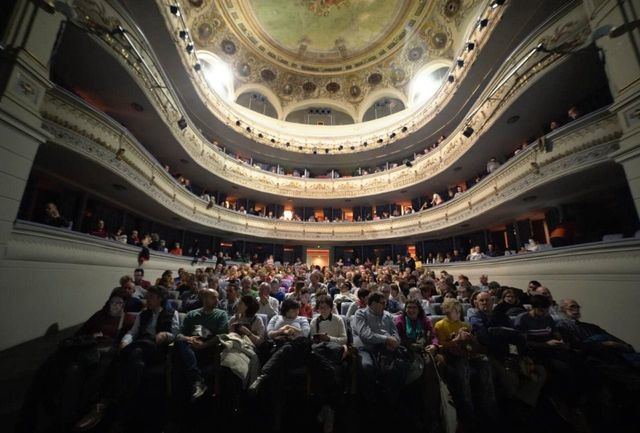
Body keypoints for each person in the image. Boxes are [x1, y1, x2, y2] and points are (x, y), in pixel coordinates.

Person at [19, 295, 134, 433]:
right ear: (108, 302)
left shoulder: (126, 319)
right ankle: (65, 413)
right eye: (114, 302)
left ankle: (82, 410)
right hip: (90, 350)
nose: (116, 305)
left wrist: (114, 342)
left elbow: (126, 338)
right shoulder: (99, 315)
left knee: (96, 376)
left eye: (120, 303)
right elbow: (80, 333)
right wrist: (92, 336)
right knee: (73, 371)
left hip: (107, 353)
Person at [75, 286, 179, 431]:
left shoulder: (172, 313)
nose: (147, 299)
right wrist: (125, 341)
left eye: (150, 297)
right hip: (139, 349)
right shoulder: (144, 314)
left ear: (159, 299)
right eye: (147, 296)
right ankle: (122, 409)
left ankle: (103, 403)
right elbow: (132, 332)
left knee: (123, 354)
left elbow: (175, 334)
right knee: (137, 364)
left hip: (156, 349)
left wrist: (165, 335)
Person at [434, 298, 496, 428]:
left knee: (485, 363)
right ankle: (468, 414)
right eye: (454, 311)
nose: (457, 313)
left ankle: (488, 407)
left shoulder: (465, 324)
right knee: (463, 370)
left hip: (467, 354)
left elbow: (474, 346)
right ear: (446, 311)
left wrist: (471, 338)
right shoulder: (440, 325)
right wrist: (457, 339)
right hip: (451, 357)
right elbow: (441, 346)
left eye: (458, 311)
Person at [352, 292, 409, 402]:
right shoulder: (360, 314)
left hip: (386, 348)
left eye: (385, 303)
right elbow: (365, 335)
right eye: (382, 303)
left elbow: (395, 334)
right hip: (366, 348)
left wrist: (395, 342)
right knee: (367, 366)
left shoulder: (387, 315)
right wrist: (386, 339)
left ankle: (392, 397)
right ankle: (370, 399)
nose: (385, 305)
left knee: (401, 364)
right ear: (373, 303)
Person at [174, 288, 229, 400]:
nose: (217, 300)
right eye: (213, 297)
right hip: (191, 347)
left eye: (217, 297)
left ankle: (197, 381)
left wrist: (204, 345)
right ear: (204, 299)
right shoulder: (192, 314)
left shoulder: (221, 314)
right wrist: (188, 338)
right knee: (180, 342)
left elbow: (221, 335)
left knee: (183, 357)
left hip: (209, 348)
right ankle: (198, 381)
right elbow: (179, 334)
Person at [248, 298, 310, 394]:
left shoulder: (302, 319)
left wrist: (289, 327)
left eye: (297, 310)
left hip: (295, 349)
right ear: (286, 310)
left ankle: (263, 376)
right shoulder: (276, 318)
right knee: (280, 354)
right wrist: (282, 331)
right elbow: (269, 333)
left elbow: (305, 333)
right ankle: (277, 393)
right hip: (277, 345)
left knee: (287, 348)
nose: (296, 312)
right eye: (293, 310)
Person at [309, 295, 348, 433]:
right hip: (321, 351)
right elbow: (313, 340)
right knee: (325, 372)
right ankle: (328, 408)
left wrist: (329, 338)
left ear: (331, 308)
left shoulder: (338, 320)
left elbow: (344, 339)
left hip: (334, 350)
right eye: (320, 308)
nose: (322, 310)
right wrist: (319, 340)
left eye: (325, 307)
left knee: (332, 371)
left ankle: (328, 409)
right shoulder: (314, 321)